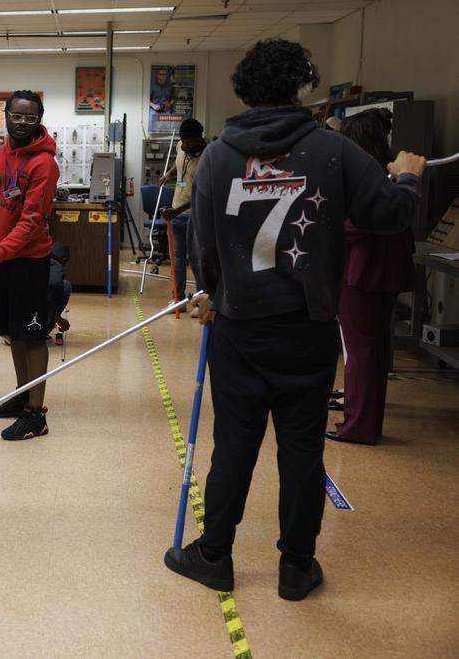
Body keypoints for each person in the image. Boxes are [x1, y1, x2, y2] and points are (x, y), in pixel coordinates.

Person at [165, 39, 425, 601]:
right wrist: (406, 176)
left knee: (234, 445)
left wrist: (215, 292)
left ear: (243, 89)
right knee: (302, 450)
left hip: (240, 327)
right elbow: (391, 214)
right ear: (301, 86)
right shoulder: (332, 150)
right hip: (308, 327)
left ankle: (214, 555)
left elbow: (202, 246)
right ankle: (296, 568)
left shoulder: (218, 156)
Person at [0, 90, 59, 441]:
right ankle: (23, 396)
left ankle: (36, 415)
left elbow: (31, 221)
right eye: (16, 116)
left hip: (29, 261)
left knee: (32, 336)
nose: (22, 123)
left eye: (30, 117)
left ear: (39, 119)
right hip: (3, 258)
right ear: (5, 115)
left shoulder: (44, 164)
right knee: (13, 333)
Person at [328, 109, 416, 445]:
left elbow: (353, 226)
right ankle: (366, 420)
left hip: (362, 275)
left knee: (359, 351)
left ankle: (358, 425)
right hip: (383, 275)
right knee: (375, 350)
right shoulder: (388, 175)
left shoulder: (368, 180)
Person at [158, 118, 207, 309]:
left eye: (189, 142)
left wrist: (177, 211)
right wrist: (168, 174)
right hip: (176, 213)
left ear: (199, 138)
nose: (185, 145)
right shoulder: (181, 145)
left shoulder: (206, 158)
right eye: (183, 141)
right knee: (177, 260)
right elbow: (178, 163)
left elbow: (201, 194)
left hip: (195, 215)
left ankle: (199, 301)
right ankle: (178, 299)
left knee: (197, 260)